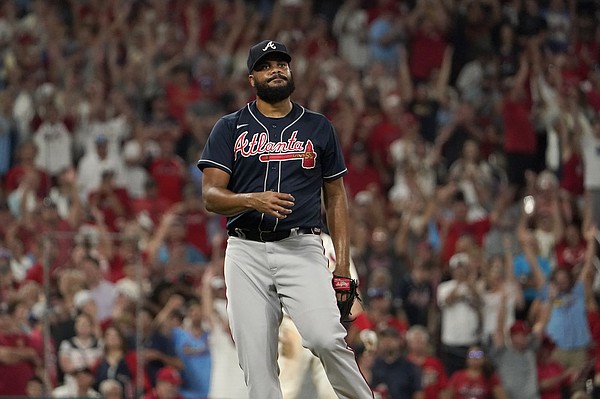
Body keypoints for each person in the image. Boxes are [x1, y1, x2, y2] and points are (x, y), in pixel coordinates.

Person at [197, 39, 374, 399]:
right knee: (256, 361)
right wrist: (251, 199)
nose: (276, 69)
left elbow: (336, 198)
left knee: (326, 337)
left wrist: (342, 268)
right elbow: (210, 196)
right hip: (246, 251)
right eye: (266, 65)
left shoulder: (318, 126)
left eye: (281, 64)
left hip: (301, 245)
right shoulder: (230, 127)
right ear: (252, 79)